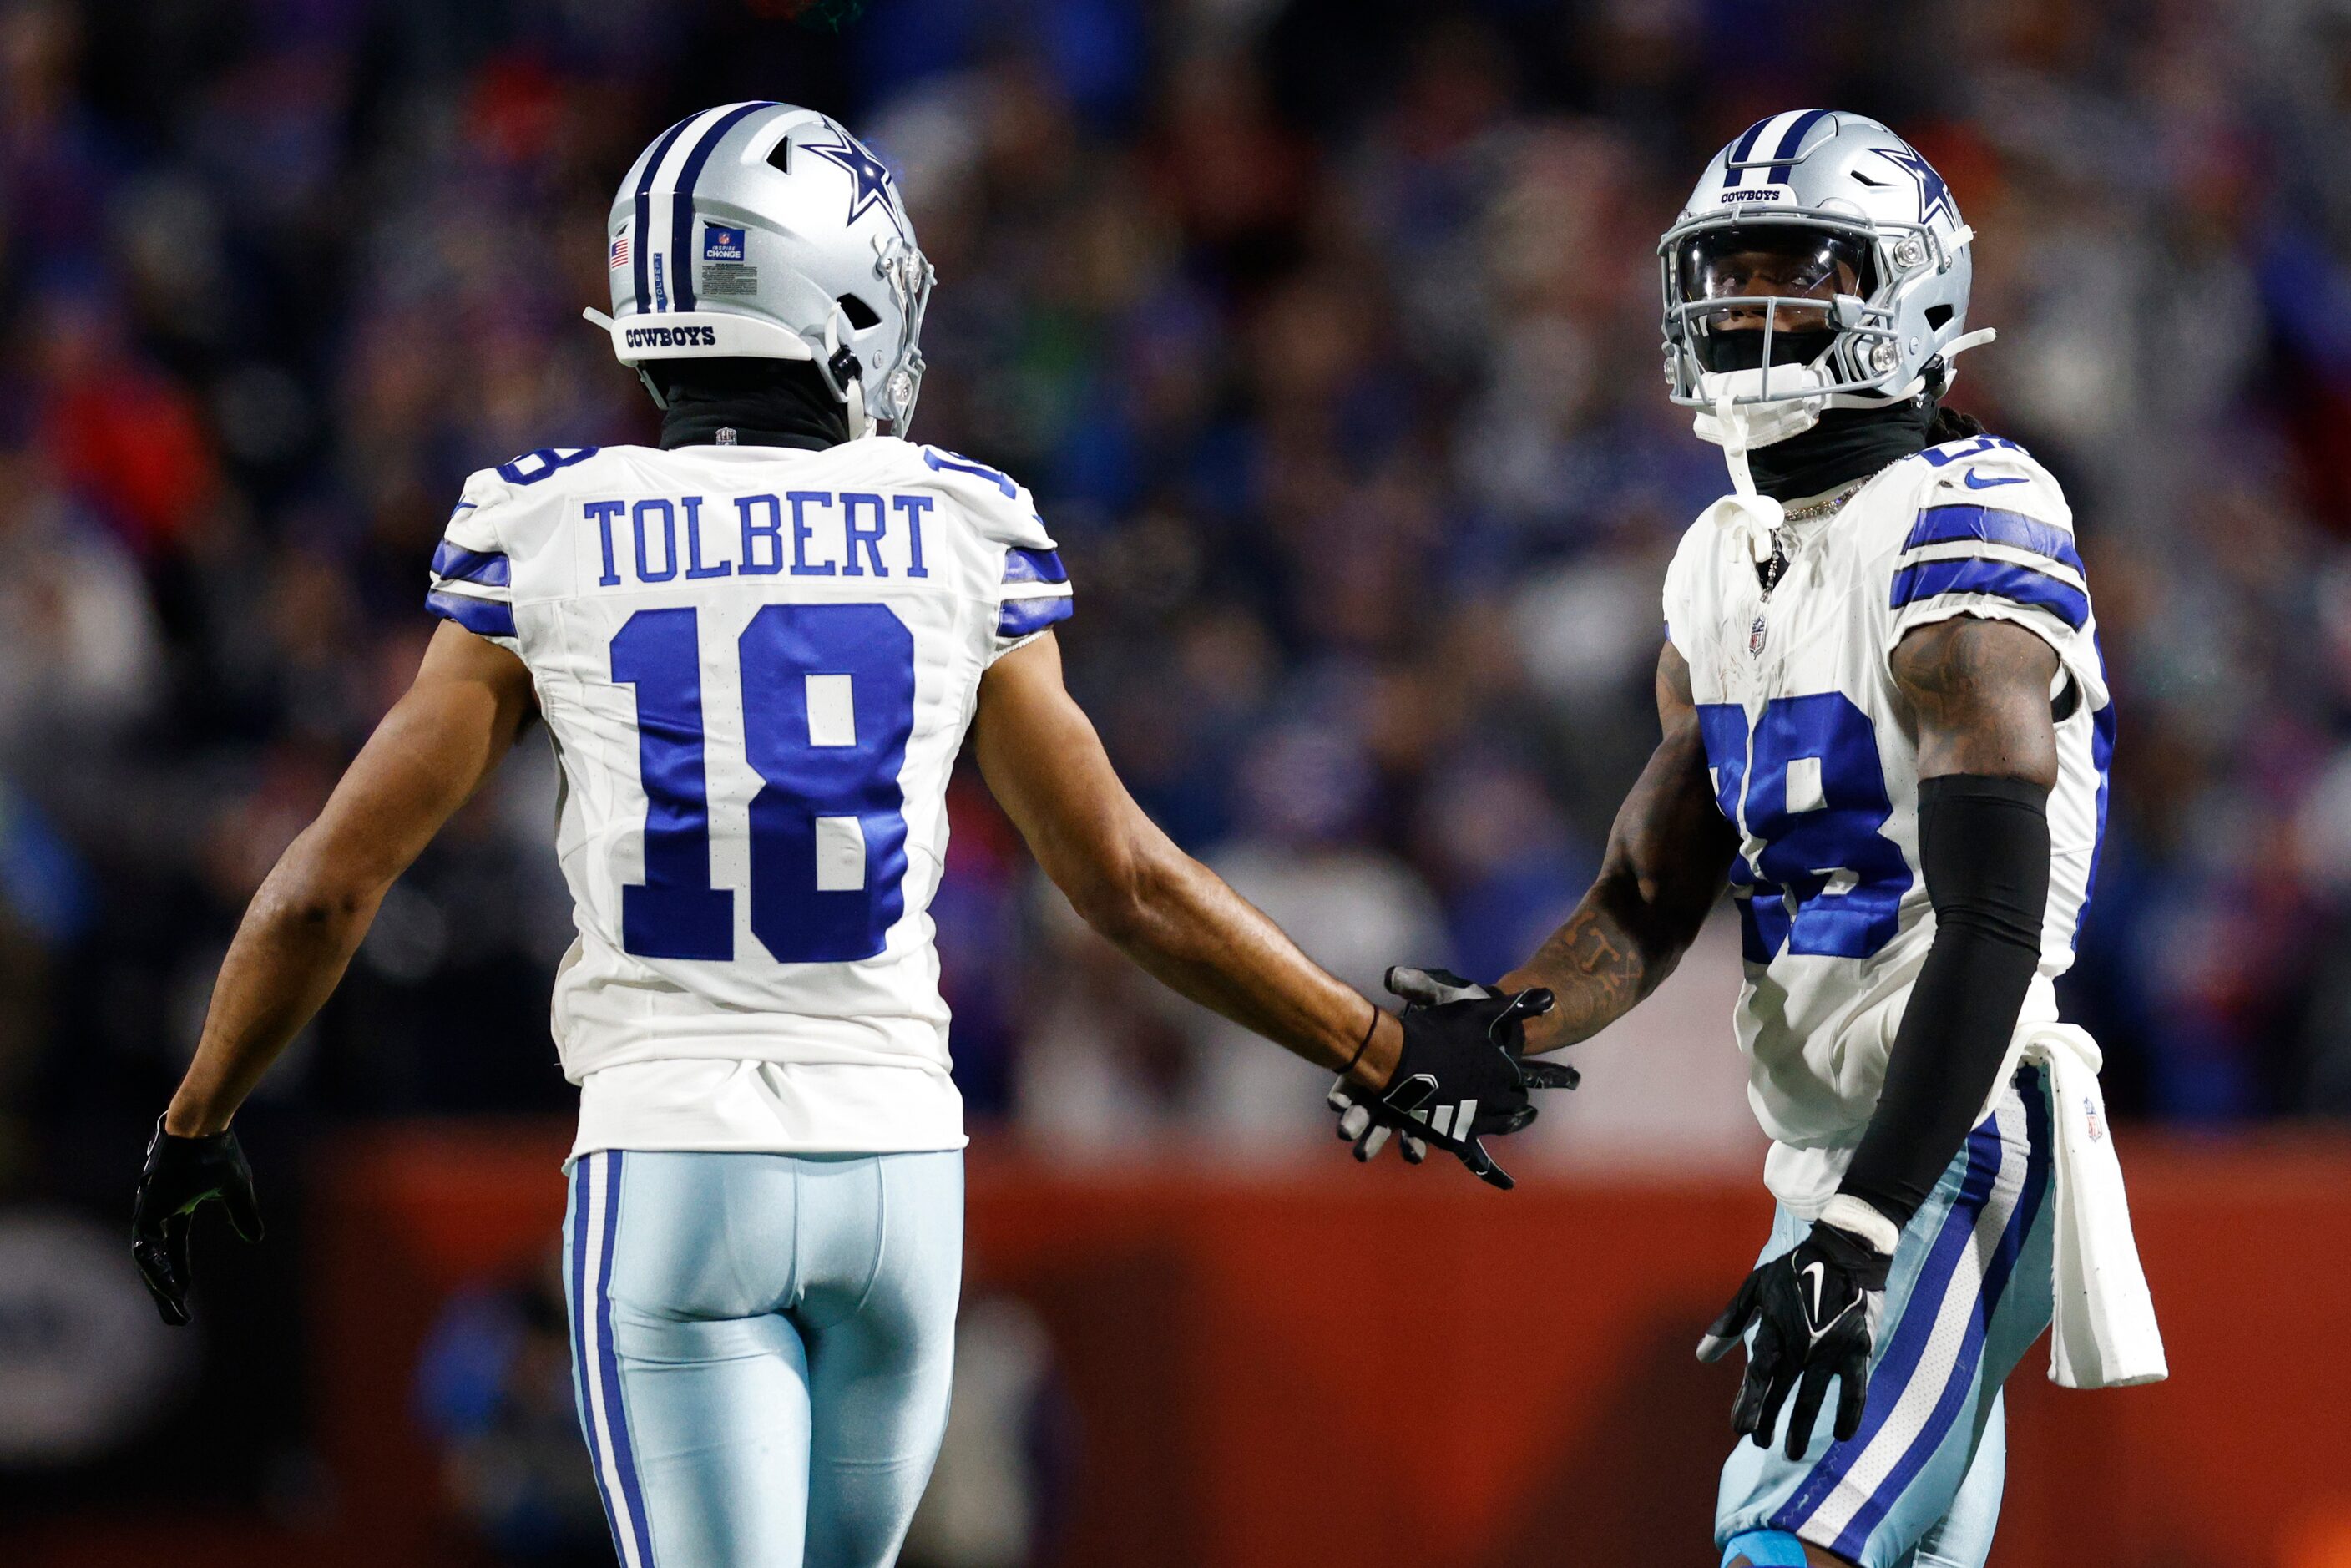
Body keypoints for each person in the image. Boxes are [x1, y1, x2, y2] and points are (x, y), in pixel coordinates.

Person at [128, 102, 1575, 1568]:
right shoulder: (957, 519)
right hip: (895, 1166)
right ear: (834, 288)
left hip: (676, 1157)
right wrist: (1378, 1051)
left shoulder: (544, 525)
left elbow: (329, 887)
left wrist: (199, 1115)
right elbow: (1127, 879)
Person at [1333, 110, 2156, 1568]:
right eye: (1731, 270)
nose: (1747, 308)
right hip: (1831, 1155)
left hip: (1955, 1129)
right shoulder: (1721, 556)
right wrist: (1506, 1028)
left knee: (1789, 1546)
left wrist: (1865, 1222)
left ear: (1912, 294)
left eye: (1798, 270)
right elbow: (1654, 889)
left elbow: (1990, 926)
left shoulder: (1971, 521)